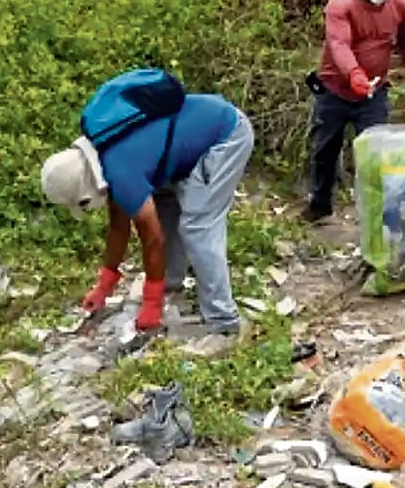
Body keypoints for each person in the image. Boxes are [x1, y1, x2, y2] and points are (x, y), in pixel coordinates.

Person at [41, 74, 255, 335]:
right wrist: (104, 284)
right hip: (188, 144)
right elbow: (119, 227)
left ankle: (224, 322)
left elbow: (152, 238)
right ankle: (171, 282)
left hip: (225, 135)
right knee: (164, 205)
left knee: (198, 226)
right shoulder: (103, 153)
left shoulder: (120, 172)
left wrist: (151, 303)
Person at [305, 0, 405, 222]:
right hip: (334, 90)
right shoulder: (341, 3)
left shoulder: (399, 5)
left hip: (374, 92)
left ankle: (377, 214)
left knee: (375, 155)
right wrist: (354, 74)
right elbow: (338, 43)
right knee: (325, 149)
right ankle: (320, 205)